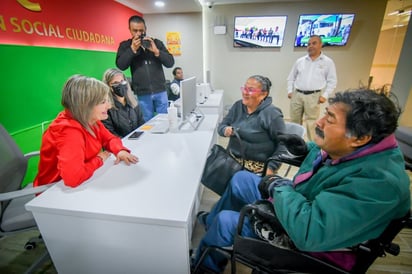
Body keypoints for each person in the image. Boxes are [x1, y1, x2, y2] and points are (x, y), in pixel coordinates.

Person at [193, 89, 410, 273]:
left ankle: (204, 265)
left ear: (361, 138)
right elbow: (330, 161)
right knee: (241, 179)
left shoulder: (379, 184)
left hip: (312, 243)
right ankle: (211, 223)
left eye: (331, 120)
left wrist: (276, 186)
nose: (320, 122)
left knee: (226, 221)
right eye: (326, 114)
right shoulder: (361, 149)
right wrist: (304, 151)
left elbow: (308, 232)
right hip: (305, 201)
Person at [34, 75, 139, 188]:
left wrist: (119, 150)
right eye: (103, 102)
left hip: (85, 180)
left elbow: (109, 138)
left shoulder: (89, 119)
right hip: (54, 191)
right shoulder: (69, 132)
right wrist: (99, 159)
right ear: (85, 106)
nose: (109, 106)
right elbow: (73, 178)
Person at [216, 75, 287, 175]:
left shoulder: (272, 114)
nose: (245, 92)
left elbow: (284, 145)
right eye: (244, 88)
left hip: (257, 167)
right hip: (232, 160)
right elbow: (221, 126)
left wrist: (271, 168)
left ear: (263, 94)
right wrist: (225, 130)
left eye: (250, 90)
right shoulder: (238, 106)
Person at [116, 15, 175, 122]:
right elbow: (121, 65)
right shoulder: (125, 46)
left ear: (145, 29)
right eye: (135, 30)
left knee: (166, 120)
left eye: (141, 30)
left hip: (160, 90)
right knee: (147, 123)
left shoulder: (156, 43)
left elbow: (170, 62)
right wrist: (132, 50)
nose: (139, 33)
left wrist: (157, 52)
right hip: (142, 94)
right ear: (129, 30)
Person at [287, 34, 337, 141]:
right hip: (297, 94)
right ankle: (294, 143)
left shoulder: (327, 62)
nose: (310, 46)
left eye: (314, 43)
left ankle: (311, 146)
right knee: (295, 121)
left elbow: (332, 81)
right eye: (308, 44)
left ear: (320, 45)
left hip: (314, 96)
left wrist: (325, 95)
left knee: (311, 123)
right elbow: (291, 77)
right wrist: (290, 91)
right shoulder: (300, 61)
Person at [101, 68, 145, 137]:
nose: (120, 85)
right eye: (115, 83)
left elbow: (141, 123)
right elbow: (110, 133)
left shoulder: (133, 101)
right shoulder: (106, 108)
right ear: (108, 86)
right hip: (121, 144)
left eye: (122, 81)